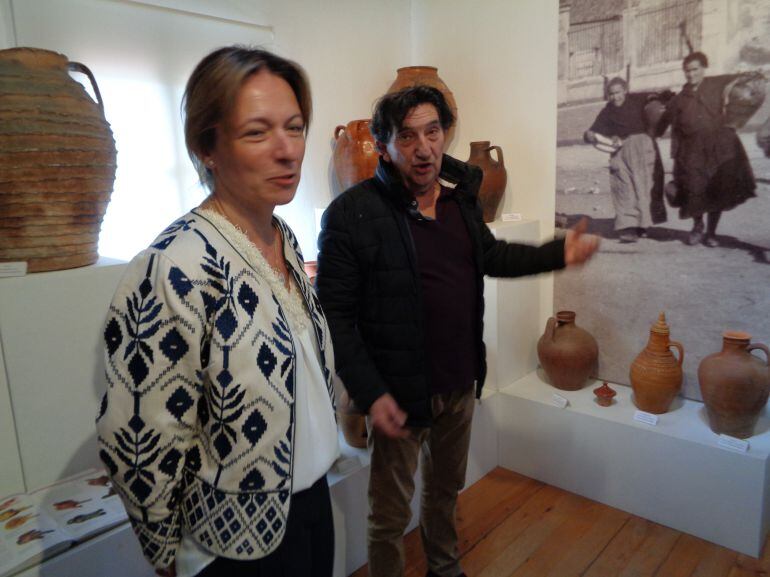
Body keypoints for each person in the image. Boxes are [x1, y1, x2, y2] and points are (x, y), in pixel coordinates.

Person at [316, 85, 599, 577]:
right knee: (389, 515)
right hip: (397, 392)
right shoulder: (352, 214)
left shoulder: (459, 203)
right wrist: (370, 393)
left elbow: (492, 256)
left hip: (459, 381)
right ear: (383, 145)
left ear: (446, 134)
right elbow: (334, 317)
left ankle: (444, 569)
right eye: (407, 136)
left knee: (445, 492)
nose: (424, 148)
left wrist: (557, 253)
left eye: (433, 132)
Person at [95, 46, 339, 577]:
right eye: (257, 132)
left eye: (295, 128)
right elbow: (137, 435)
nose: (287, 151)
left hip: (310, 507)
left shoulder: (283, 237)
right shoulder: (173, 266)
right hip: (236, 543)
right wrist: (167, 554)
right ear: (208, 147)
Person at [662, 51, 756, 247]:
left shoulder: (716, 84)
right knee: (695, 189)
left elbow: (743, 80)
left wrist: (751, 73)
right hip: (691, 151)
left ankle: (711, 232)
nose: (691, 74)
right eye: (687, 71)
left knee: (717, 188)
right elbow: (674, 128)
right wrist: (676, 155)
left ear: (704, 68)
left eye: (695, 69)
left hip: (718, 148)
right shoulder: (680, 99)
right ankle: (698, 227)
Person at [584, 77, 668, 243]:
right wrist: (589, 135)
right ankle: (628, 228)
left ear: (625, 90)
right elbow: (594, 131)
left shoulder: (638, 100)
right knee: (623, 188)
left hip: (643, 148)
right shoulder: (607, 111)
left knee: (644, 188)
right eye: (611, 94)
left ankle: (642, 225)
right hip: (620, 152)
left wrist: (656, 100)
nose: (615, 97)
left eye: (618, 92)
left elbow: (660, 99)